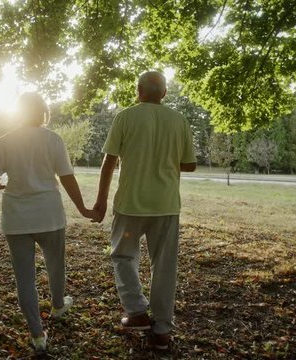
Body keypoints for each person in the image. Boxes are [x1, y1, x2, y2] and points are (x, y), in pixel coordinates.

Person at [92, 71, 197, 351]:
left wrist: (101, 200)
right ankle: (162, 331)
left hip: (130, 204)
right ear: (164, 93)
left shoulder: (125, 117)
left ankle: (136, 310)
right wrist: (164, 157)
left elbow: (109, 162)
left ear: (138, 90)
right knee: (164, 267)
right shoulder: (179, 120)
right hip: (165, 205)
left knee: (123, 255)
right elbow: (189, 165)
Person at [0, 92, 94, 354]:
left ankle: (37, 335)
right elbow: (67, 178)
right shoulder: (53, 139)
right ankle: (58, 305)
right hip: (49, 215)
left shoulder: (5, 141)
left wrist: (7, 183)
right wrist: (83, 208)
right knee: (56, 265)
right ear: (44, 112)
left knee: (24, 278)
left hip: (16, 218)